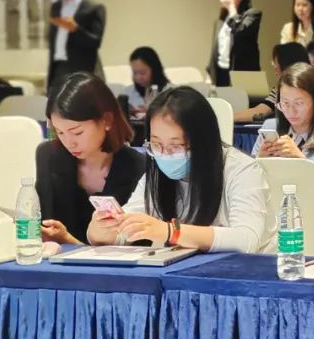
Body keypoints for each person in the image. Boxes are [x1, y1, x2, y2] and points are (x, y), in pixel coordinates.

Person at [87, 87, 275, 252]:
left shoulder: (241, 169)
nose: (164, 155)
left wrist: (171, 232)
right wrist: (102, 232)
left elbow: (246, 240)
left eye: (175, 146)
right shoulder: (155, 172)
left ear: (203, 143)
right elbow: (129, 226)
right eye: (156, 144)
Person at [37, 73, 145, 244]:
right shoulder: (49, 156)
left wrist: (69, 241)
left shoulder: (138, 167)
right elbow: (46, 225)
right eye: (60, 132)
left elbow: (137, 247)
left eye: (77, 132)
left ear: (107, 120)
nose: (69, 143)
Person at [251, 63, 314, 187]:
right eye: (285, 103)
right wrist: (259, 162)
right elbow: (248, 184)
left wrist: (301, 160)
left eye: (299, 103)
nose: (291, 111)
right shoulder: (269, 128)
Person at [233, 43, 314, 123]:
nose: (273, 65)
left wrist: (229, 117)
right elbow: (260, 110)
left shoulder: (308, 84)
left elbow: (260, 111)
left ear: (286, 62)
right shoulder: (284, 85)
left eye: (276, 61)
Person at [47, 0, 106, 92]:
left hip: (82, 74)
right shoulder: (56, 7)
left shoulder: (94, 8)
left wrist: (75, 29)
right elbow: (54, 46)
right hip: (58, 72)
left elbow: (95, 42)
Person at [207, 0, 262, 86]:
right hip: (221, 72)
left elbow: (240, 31)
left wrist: (232, 8)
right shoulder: (220, 21)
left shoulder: (253, 14)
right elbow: (215, 50)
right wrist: (209, 73)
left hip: (243, 73)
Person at [123, 46, 172, 120]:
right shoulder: (128, 92)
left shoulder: (171, 92)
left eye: (142, 73)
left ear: (155, 70)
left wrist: (154, 113)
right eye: (134, 72)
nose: (138, 77)